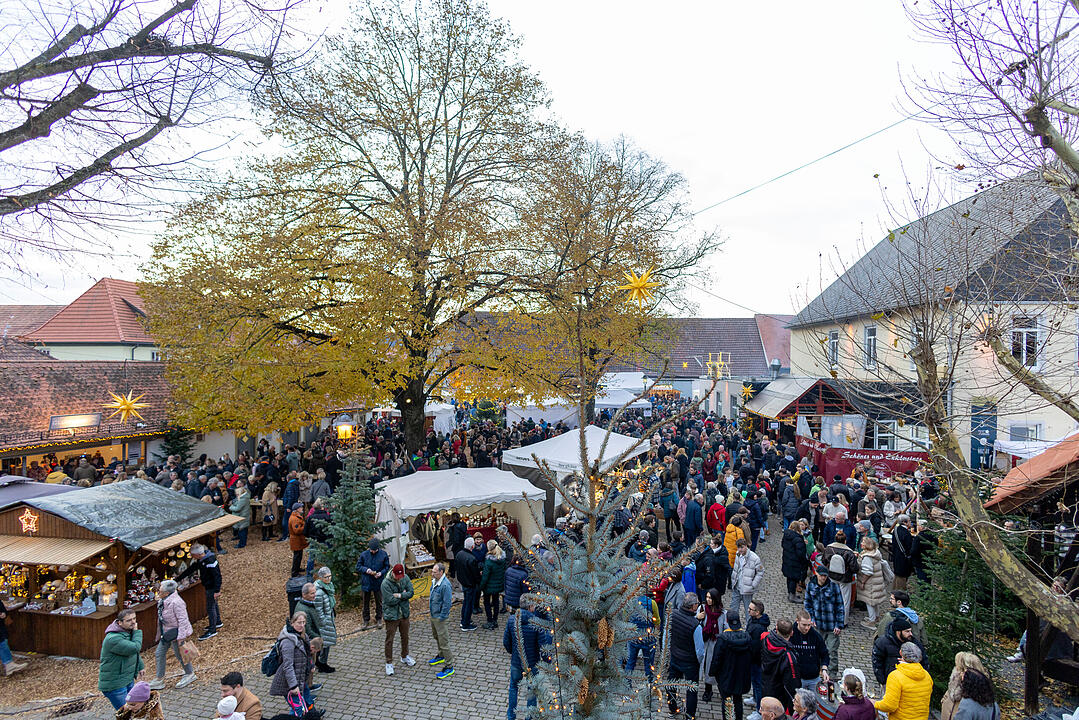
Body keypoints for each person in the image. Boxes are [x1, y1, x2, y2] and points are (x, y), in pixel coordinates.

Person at [269, 612, 320, 719]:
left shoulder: (303, 636)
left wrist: (311, 666)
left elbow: (307, 655)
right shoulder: (288, 642)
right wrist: (293, 686)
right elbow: (288, 666)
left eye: (303, 622)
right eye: (299, 622)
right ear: (292, 623)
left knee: (297, 708)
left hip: (300, 679)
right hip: (290, 683)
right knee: (298, 709)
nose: (301, 625)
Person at [505, 599, 549, 720]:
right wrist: (548, 662)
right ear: (530, 607)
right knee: (532, 690)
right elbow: (543, 646)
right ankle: (529, 717)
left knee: (513, 687)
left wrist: (513, 653)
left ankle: (511, 716)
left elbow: (506, 641)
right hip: (532, 663)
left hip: (516, 662)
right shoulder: (536, 623)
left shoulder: (511, 620)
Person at [148, 580, 196, 690]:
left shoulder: (177, 602)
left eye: (160, 591)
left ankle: (190, 673)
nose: (158, 592)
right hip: (167, 633)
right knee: (159, 653)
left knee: (180, 654)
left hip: (176, 633)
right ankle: (159, 679)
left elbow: (183, 620)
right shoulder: (163, 600)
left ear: (167, 593)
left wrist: (181, 637)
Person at [666, 593, 706, 719]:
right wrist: (699, 663)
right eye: (697, 603)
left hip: (675, 658)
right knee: (691, 690)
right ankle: (690, 716)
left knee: (672, 684)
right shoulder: (696, 626)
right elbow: (700, 651)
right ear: (693, 606)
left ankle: (672, 708)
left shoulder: (673, 614)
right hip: (689, 662)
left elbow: (667, 635)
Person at [710, 611, 752, 720]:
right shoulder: (746, 637)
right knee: (738, 700)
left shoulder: (723, 638)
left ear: (727, 621)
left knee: (726, 700)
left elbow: (717, 658)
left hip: (726, 675)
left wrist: (713, 672)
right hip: (740, 675)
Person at [174, 543, 222, 641]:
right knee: (214, 604)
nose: (192, 557)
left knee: (210, 607)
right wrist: (177, 579)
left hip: (211, 587)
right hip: (209, 586)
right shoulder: (202, 560)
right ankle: (217, 622)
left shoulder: (210, 561)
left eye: (192, 555)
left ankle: (212, 630)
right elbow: (191, 569)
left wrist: (217, 590)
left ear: (197, 554)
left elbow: (217, 576)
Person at [99, 608, 144, 709]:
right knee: (125, 713)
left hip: (127, 679)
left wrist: (140, 666)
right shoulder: (113, 639)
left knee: (133, 711)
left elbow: (132, 652)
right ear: (120, 622)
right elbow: (135, 647)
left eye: (134, 618)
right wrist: (137, 632)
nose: (133, 622)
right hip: (115, 685)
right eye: (129, 620)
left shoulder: (127, 631)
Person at [803, 566, 844, 675]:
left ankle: (831, 676)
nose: (823, 578)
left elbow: (840, 606)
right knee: (816, 650)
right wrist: (811, 618)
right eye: (821, 575)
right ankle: (817, 672)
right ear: (816, 574)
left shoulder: (834, 587)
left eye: (825, 576)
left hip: (832, 626)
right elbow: (807, 604)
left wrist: (839, 625)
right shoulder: (811, 586)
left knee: (831, 651)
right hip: (818, 625)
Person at [875, 642, 932, 720]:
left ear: (901, 652)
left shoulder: (895, 676)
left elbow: (889, 706)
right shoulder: (927, 675)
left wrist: (874, 703)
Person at [872, 616, 927, 686]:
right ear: (898, 632)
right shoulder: (882, 642)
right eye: (907, 631)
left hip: (910, 683)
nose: (911, 634)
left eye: (910, 631)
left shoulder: (914, 643)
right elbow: (877, 662)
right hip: (890, 682)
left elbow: (924, 660)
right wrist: (882, 680)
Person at [381, 563, 416, 675]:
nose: (399, 579)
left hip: (404, 614)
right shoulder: (385, 584)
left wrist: (399, 595)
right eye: (397, 577)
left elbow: (411, 592)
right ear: (393, 573)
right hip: (392, 616)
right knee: (390, 639)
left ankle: (405, 656)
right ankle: (389, 663)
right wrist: (403, 595)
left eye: (401, 577)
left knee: (405, 636)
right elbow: (389, 600)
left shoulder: (405, 578)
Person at [760, 619, 800, 714]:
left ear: (776, 628)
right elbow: (792, 683)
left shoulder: (766, 639)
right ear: (791, 633)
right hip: (779, 696)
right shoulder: (788, 656)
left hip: (766, 686)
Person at [789, 611, 829, 693]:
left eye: (809, 625)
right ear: (797, 621)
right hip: (797, 679)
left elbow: (824, 654)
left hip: (814, 679)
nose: (807, 628)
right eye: (804, 625)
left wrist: (824, 670)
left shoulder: (816, 636)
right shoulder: (790, 635)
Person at [821, 530, 858, 618]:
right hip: (845, 578)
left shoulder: (829, 548)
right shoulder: (849, 552)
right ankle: (843, 620)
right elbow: (854, 568)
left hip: (831, 576)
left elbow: (824, 561)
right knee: (845, 600)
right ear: (845, 541)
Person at [427, 563, 455, 679]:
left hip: (440, 618)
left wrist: (442, 617)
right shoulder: (435, 581)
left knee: (444, 641)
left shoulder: (445, 585)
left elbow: (447, 603)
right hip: (434, 615)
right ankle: (441, 655)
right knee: (436, 636)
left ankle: (449, 666)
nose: (432, 573)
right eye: (432, 571)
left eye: (434, 572)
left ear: (441, 572)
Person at [700, 588, 728, 703]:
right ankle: (708, 689)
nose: (708, 600)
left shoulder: (722, 613)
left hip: (717, 643)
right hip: (705, 642)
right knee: (707, 665)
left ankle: (723, 690)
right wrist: (698, 618)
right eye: (706, 597)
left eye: (710, 598)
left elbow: (726, 628)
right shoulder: (702, 609)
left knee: (718, 666)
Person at [941, 652, 987, 720]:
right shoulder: (955, 681)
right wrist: (943, 702)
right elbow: (947, 695)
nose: (956, 669)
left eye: (958, 667)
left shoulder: (978, 691)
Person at [625, 593, 659, 682]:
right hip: (648, 638)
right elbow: (657, 621)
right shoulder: (652, 603)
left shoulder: (630, 601)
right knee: (649, 664)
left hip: (633, 638)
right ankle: (649, 685)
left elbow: (626, 618)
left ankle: (627, 685)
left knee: (630, 662)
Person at [356, 538, 389, 629]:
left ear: (378, 548)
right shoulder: (364, 555)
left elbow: (386, 566)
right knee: (365, 602)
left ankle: (379, 618)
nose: (373, 552)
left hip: (378, 582)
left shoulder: (383, 554)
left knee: (379, 601)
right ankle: (366, 620)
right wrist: (366, 570)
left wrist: (381, 573)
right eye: (371, 550)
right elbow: (358, 566)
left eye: (375, 550)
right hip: (366, 582)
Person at [856, 537, 888, 627]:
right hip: (876, 582)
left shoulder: (867, 557)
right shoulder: (875, 553)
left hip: (870, 584)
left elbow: (867, 572)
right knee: (875, 601)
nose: (861, 543)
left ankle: (871, 621)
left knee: (869, 602)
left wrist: (862, 582)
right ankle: (876, 617)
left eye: (863, 542)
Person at [312, 567, 337, 673]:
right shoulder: (318, 592)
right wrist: (323, 622)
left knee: (326, 642)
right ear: (321, 578)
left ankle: (321, 662)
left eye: (330, 576)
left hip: (328, 616)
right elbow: (318, 610)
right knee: (325, 643)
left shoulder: (328, 587)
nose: (329, 578)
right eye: (326, 577)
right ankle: (321, 664)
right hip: (324, 621)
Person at [732, 539, 763, 621]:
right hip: (737, 586)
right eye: (738, 547)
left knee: (748, 611)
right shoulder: (738, 554)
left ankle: (749, 629)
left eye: (742, 547)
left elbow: (760, 572)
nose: (740, 550)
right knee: (733, 609)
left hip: (747, 590)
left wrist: (753, 585)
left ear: (746, 546)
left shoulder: (755, 558)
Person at [480, 539, 507, 630]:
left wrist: (481, 586)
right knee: (496, 602)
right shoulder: (502, 558)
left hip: (488, 586)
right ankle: (495, 620)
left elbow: (485, 576)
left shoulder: (489, 561)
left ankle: (490, 621)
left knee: (487, 603)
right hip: (498, 585)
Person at [456, 537, 481, 631]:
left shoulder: (459, 554)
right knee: (469, 604)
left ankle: (464, 620)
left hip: (463, 582)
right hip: (470, 584)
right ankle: (466, 624)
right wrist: (479, 579)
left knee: (466, 602)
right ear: (472, 546)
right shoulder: (471, 558)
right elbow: (475, 574)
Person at [782, 520, 810, 603]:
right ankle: (792, 596)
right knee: (793, 579)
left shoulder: (786, 536)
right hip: (795, 562)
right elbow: (800, 552)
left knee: (789, 578)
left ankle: (790, 593)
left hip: (787, 560)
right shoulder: (797, 538)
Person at [890, 515, 920, 591]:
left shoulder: (896, 529)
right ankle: (899, 595)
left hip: (897, 557)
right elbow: (909, 548)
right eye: (909, 521)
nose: (910, 523)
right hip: (903, 560)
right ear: (904, 522)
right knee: (901, 579)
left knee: (897, 577)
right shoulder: (905, 533)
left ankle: (894, 592)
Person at [288, 503, 308, 577]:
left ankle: (297, 569)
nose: (302, 508)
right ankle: (295, 572)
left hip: (297, 540)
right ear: (297, 509)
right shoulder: (295, 519)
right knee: (297, 556)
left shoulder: (296, 517)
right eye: (301, 507)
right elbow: (297, 530)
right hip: (296, 540)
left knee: (299, 555)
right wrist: (305, 527)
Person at [229, 484, 251, 549]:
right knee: (243, 530)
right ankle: (242, 542)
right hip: (243, 516)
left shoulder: (243, 499)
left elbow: (237, 508)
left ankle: (241, 544)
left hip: (242, 517)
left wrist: (231, 507)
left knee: (242, 531)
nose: (236, 494)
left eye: (237, 493)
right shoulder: (244, 498)